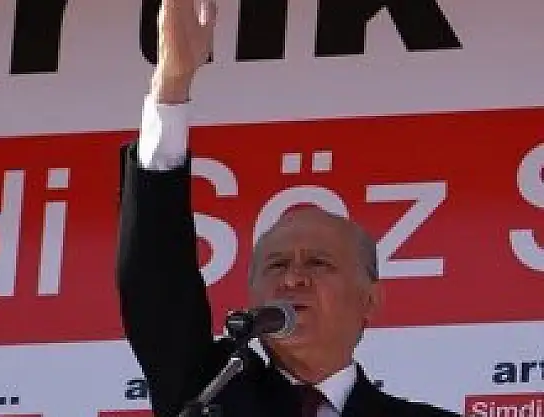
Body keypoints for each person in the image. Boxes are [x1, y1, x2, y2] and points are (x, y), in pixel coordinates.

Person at [115, 1, 463, 416]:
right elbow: (156, 282)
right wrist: (172, 86)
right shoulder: (210, 392)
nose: (293, 278)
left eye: (318, 263)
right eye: (276, 265)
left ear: (370, 299)